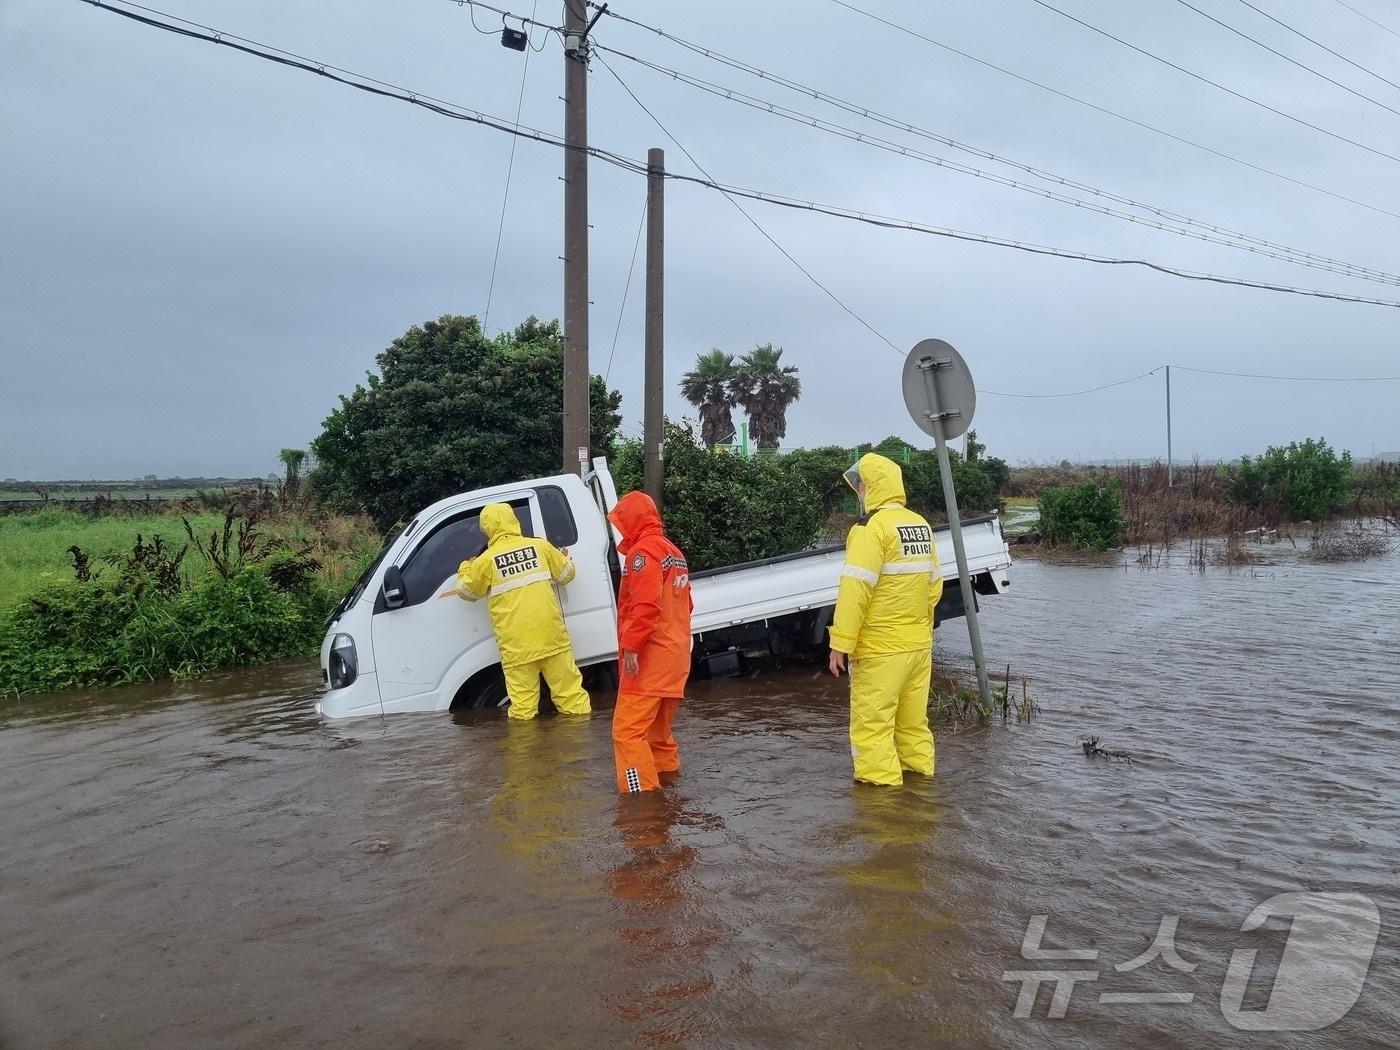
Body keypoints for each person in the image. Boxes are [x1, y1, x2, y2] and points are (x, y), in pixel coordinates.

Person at [828, 453, 943, 786]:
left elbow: (854, 592)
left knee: (872, 730)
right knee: (913, 727)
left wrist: (840, 644)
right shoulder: (920, 524)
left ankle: (884, 816)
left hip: (880, 649)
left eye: (860, 486)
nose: (859, 492)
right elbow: (934, 587)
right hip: (919, 648)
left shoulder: (870, 529)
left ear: (870, 486)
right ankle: (921, 797)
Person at [455, 502, 591, 720]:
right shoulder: (540, 547)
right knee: (572, 698)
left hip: (517, 647)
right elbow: (566, 575)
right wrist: (564, 558)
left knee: (523, 710)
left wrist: (465, 567)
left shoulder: (486, 561)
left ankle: (523, 753)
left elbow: (466, 592)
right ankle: (586, 748)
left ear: (488, 529)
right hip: (552, 639)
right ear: (514, 521)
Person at [607, 490, 693, 794]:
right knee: (657, 734)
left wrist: (631, 645)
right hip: (674, 659)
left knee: (627, 733)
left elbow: (645, 606)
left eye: (621, 522)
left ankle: (640, 801)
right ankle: (668, 789)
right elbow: (686, 606)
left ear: (632, 521)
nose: (619, 529)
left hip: (648, 659)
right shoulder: (673, 553)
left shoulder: (642, 554)